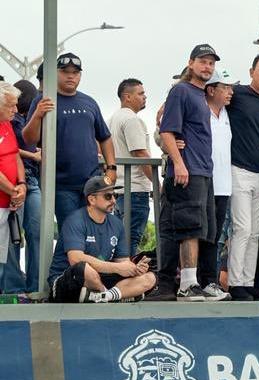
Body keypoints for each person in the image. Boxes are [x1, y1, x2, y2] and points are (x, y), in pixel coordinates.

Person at [156, 43, 226, 302]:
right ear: (190, 63)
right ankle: (187, 284)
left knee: (205, 230)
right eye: (202, 61)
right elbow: (166, 131)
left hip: (204, 171)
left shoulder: (200, 94)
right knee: (190, 228)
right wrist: (179, 163)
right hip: (187, 171)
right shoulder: (181, 90)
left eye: (211, 63)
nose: (207, 67)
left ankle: (202, 283)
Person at [22, 53, 116, 230]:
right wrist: (38, 115)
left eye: (75, 72)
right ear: (55, 73)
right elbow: (29, 139)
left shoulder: (89, 102)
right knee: (71, 231)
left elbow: (105, 137)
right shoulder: (42, 100)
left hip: (93, 183)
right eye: (65, 71)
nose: (71, 76)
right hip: (61, 185)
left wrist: (111, 168)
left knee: (96, 231)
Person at [47, 176, 155, 303]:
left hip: (100, 278)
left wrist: (135, 269)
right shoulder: (75, 220)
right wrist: (117, 268)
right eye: (108, 196)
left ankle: (103, 296)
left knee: (150, 278)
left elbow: (123, 262)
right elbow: (75, 259)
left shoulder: (117, 224)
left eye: (114, 195)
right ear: (92, 199)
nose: (113, 200)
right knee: (83, 268)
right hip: (70, 280)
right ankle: (116, 294)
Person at [226, 53, 259, 301]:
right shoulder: (236, 94)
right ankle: (235, 283)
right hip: (238, 169)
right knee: (242, 229)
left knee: (256, 233)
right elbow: (207, 99)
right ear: (252, 72)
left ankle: (249, 283)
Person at [109, 78, 152, 256]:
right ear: (127, 97)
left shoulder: (113, 118)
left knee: (120, 242)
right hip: (135, 190)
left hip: (119, 189)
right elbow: (140, 153)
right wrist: (157, 183)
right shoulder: (132, 119)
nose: (145, 97)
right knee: (130, 241)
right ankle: (126, 273)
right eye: (140, 93)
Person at [204, 70, 235, 300]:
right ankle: (199, 281)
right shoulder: (199, 109)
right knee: (201, 235)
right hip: (203, 182)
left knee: (215, 237)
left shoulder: (226, 111)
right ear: (211, 89)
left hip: (224, 185)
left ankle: (210, 281)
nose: (230, 92)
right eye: (225, 87)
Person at [8, 79, 40, 293]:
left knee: (37, 232)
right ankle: (14, 288)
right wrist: (34, 155)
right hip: (13, 181)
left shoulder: (24, 119)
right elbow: (10, 149)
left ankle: (35, 286)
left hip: (30, 179)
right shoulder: (9, 120)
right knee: (13, 235)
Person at [0, 82, 26, 289]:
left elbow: (15, 155)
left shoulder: (7, 123)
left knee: (3, 258)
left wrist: (22, 184)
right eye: (11, 105)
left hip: (8, 202)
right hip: (5, 198)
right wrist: (13, 189)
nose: (16, 110)